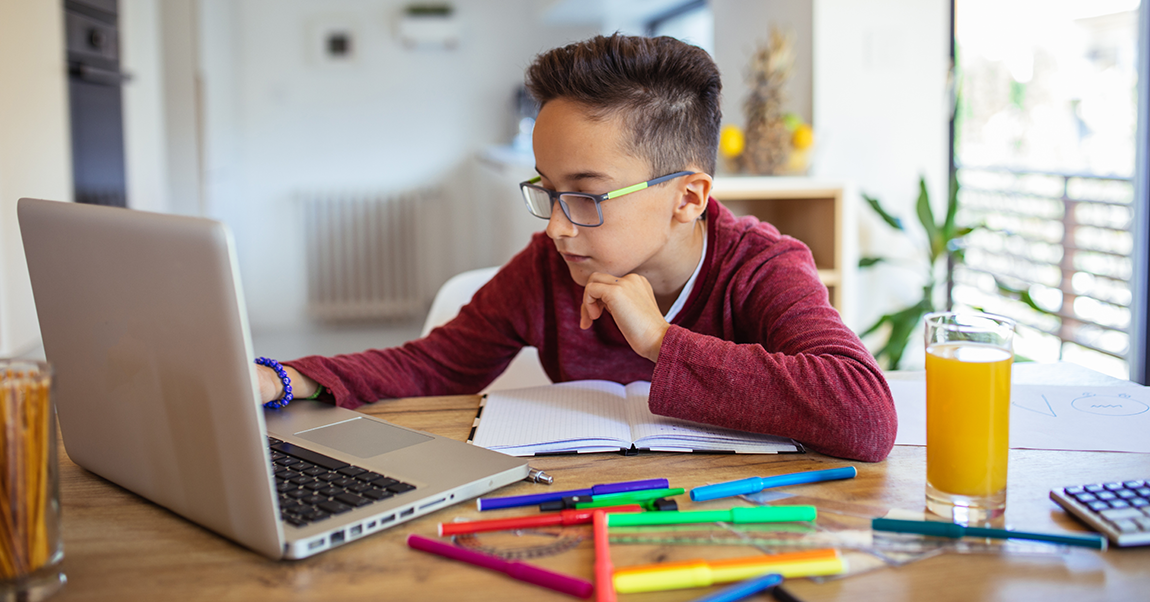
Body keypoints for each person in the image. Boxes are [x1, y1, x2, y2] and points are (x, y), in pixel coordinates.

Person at [257, 34, 897, 462]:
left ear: (688, 198)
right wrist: (288, 378)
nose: (557, 228)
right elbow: (433, 365)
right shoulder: (547, 270)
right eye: (547, 190)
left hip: (747, 518)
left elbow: (865, 415)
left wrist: (660, 343)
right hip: (577, 508)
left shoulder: (761, 268)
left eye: (587, 196)